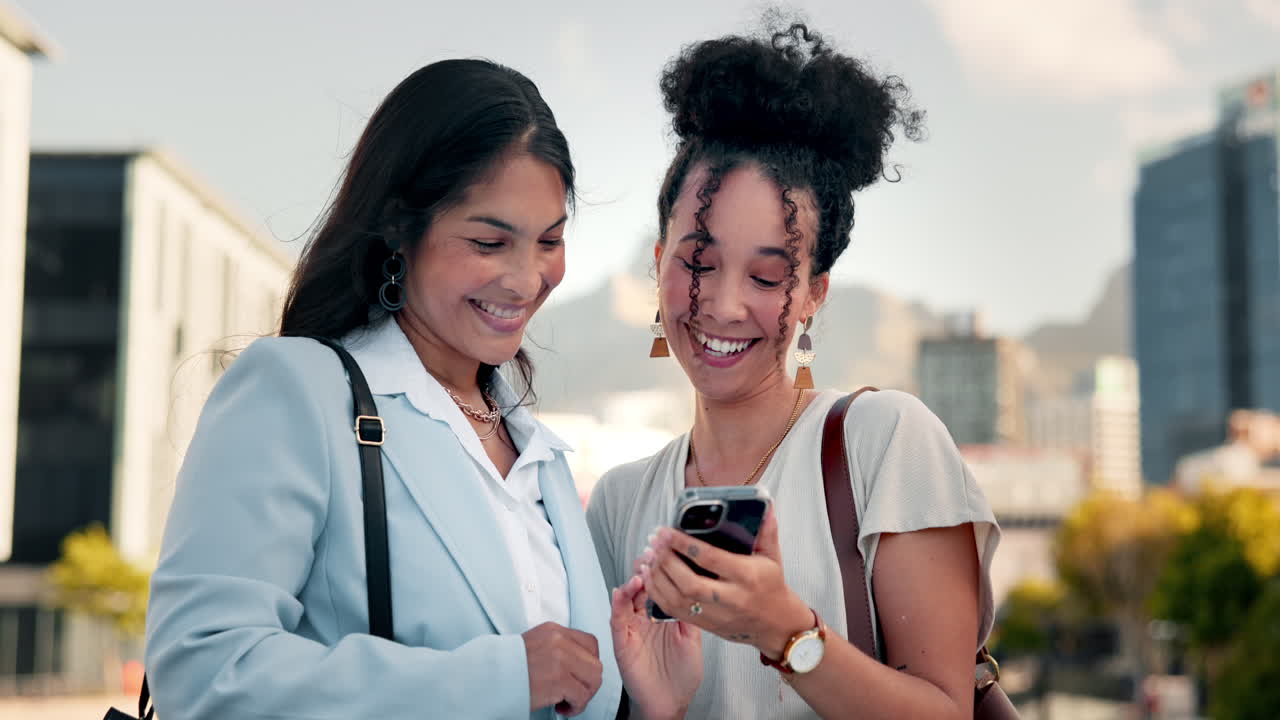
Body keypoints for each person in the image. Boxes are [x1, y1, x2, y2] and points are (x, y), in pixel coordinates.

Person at [144, 58, 642, 720]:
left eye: (549, 240)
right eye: (490, 242)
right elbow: (202, 667)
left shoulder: (539, 457)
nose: (526, 279)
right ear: (400, 231)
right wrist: (499, 675)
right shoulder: (300, 390)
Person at [588, 22, 1003, 720]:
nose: (722, 304)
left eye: (768, 275)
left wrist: (784, 634)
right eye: (698, 262)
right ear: (659, 261)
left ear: (814, 292)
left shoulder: (885, 443)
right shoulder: (619, 503)